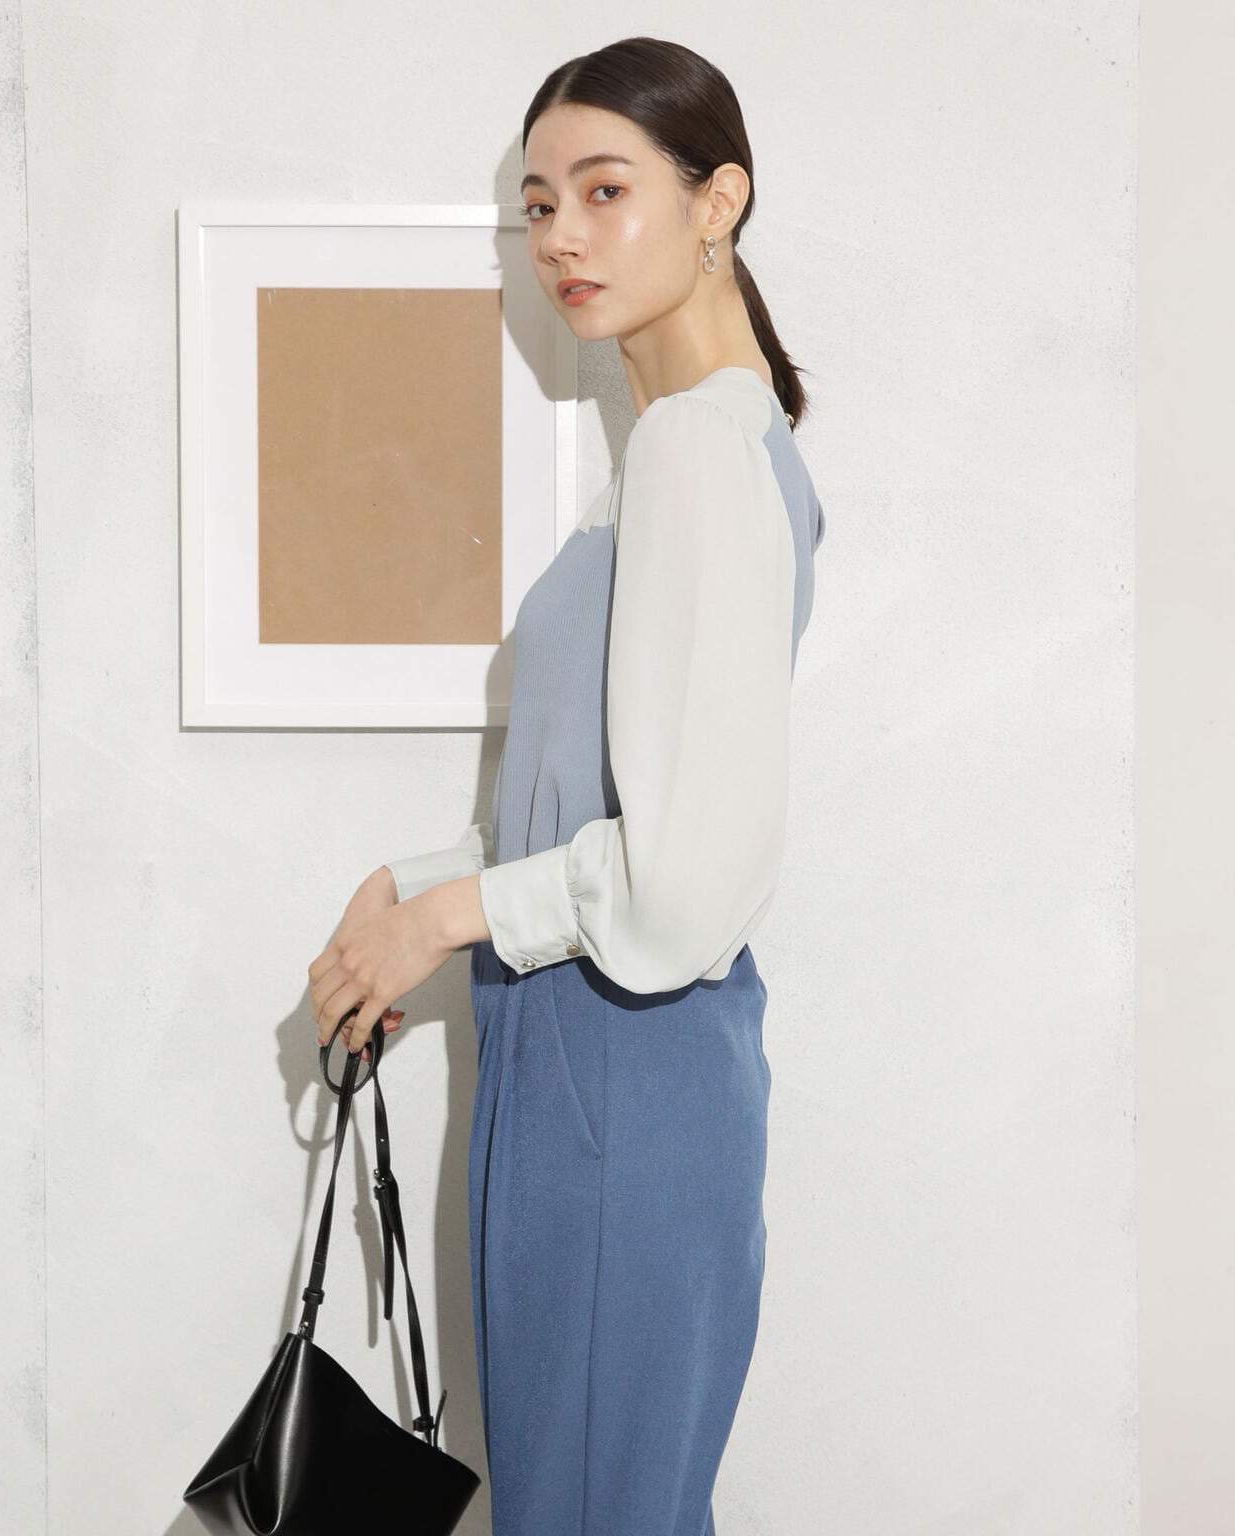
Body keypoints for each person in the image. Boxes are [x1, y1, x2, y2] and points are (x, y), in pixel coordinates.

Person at [308, 35, 827, 1535]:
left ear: (718, 200)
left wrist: (445, 916)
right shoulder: (687, 450)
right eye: (537, 205)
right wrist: (413, 893)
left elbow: (682, 884)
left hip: (623, 1078)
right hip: (592, 1073)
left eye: (605, 191)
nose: (561, 238)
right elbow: (598, 802)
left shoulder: (697, 454)